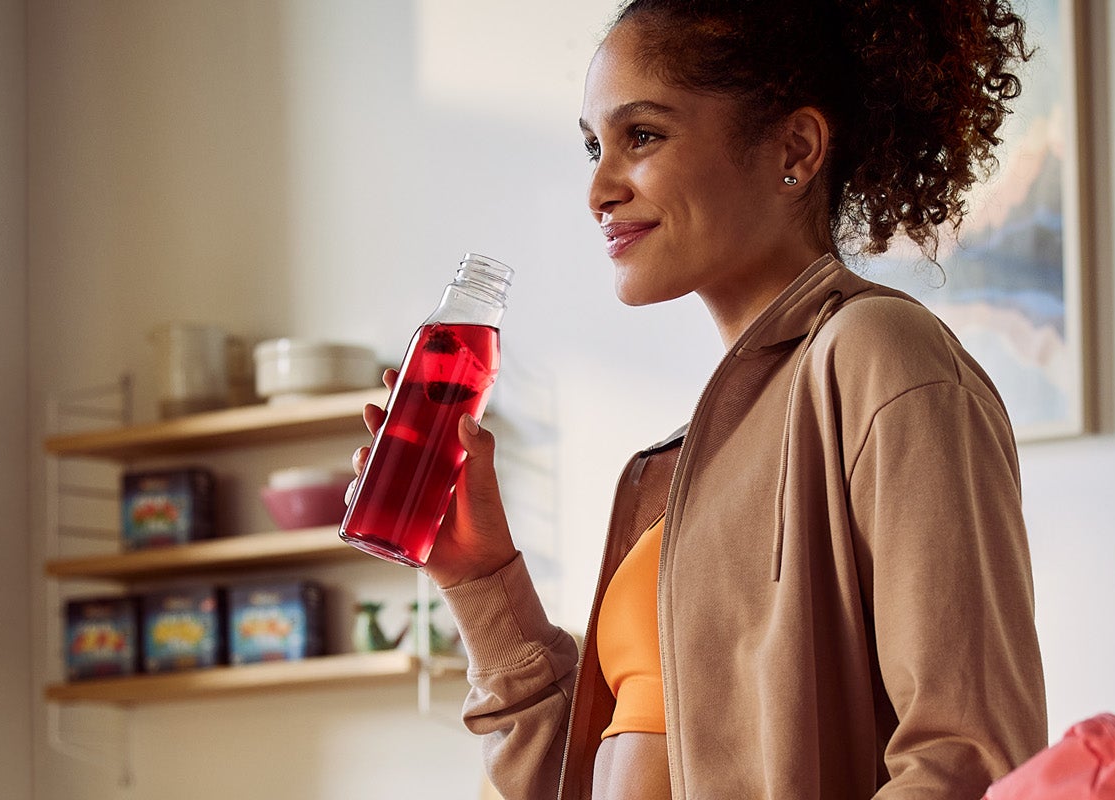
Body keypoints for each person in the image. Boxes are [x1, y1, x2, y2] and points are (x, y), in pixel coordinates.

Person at [353, 1, 1045, 797]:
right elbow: (563, 784)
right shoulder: (683, 462)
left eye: (641, 136)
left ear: (795, 147)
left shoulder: (880, 358)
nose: (599, 189)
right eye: (593, 146)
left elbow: (971, 760)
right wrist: (480, 576)